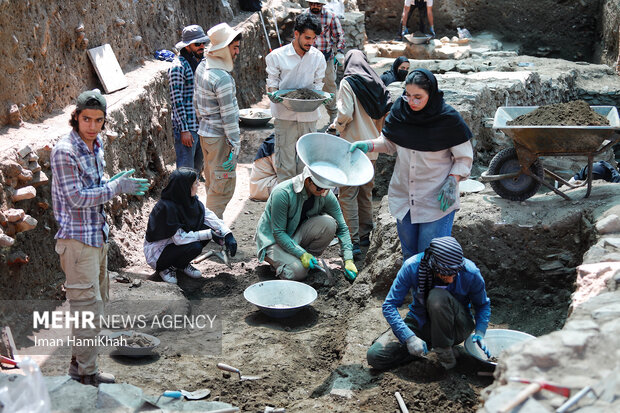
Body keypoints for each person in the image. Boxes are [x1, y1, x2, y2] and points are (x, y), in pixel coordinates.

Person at [51, 89, 151, 386]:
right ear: (75, 118)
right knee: (87, 310)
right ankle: (88, 375)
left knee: (95, 307)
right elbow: (76, 197)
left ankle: (77, 367)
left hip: (97, 235)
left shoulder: (95, 146)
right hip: (77, 241)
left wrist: (113, 181)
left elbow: (95, 184)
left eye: (98, 120)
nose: (92, 126)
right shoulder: (64, 151)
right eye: (86, 119)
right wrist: (117, 188)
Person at [350, 69, 473, 260]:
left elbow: (464, 158)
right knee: (410, 256)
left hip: (436, 200)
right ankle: (414, 290)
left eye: (418, 97)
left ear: (430, 94)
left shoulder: (448, 120)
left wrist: (452, 180)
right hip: (405, 197)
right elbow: (390, 143)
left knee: (432, 258)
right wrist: (368, 145)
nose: (412, 102)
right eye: (408, 95)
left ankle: (431, 291)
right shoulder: (401, 112)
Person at [367, 236, 491, 370]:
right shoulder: (412, 267)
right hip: (421, 322)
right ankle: (432, 351)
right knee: (375, 356)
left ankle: (445, 353)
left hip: (456, 326)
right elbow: (389, 305)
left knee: (437, 297)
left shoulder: (470, 272)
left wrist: (480, 332)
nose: (449, 280)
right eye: (444, 276)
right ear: (433, 267)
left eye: (453, 276)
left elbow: (482, 305)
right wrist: (409, 338)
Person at [330, 50, 392, 257]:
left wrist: (337, 127)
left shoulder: (348, 83)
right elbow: (386, 112)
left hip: (351, 148)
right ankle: (366, 236)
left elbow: (345, 113)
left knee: (347, 195)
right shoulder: (377, 83)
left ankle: (352, 242)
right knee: (366, 193)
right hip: (373, 148)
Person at [255, 166, 357, 282]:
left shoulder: (324, 194)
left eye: (326, 189)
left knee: (329, 224)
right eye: (320, 188)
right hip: (273, 241)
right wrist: (302, 253)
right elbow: (278, 233)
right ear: (308, 180)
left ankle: (304, 260)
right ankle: (286, 263)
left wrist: (348, 259)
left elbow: (342, 228)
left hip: (295, 236)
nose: (323, 191)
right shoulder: (282, 193)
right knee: (298, 272)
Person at [144, 168, 237, 284]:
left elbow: (208, 216)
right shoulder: (166, 208)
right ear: (185, 186)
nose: (198, 185)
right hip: (159, 252)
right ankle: (166, 268)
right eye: (195, 183)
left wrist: (227, 234)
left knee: (209, 228)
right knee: (196, 245)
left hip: (175, 244)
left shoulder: (190, 201)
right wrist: (209, 234)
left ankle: (182, 265)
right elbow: (179, 238)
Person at [266, 13, 327, 183]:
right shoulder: (276, 56)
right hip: (284, 116)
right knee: (285, 165)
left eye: (313, 39)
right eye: (307, 37)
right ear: (296, 34)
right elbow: (272, 82)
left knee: (306, 166)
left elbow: (317, 86)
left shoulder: (318, 58)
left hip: (308, 117)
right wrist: (273, 93)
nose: (310, 42)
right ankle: (286, 204)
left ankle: (303, 207)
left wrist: (321, 97)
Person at [194, 22, 242, 218]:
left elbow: (196, 102)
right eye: (235, 47)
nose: (237, 52)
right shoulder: (222, 78)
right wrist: (235, 143)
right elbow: (228, 117)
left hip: (205, 134)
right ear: (223, 48)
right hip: (220, 138)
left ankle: (213, 222)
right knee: (222, 185)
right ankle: (212, 228)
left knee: (213, 181)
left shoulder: (202, 67)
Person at [169, 25, 208, 170]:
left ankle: (192, 193)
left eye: (203, 43)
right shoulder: (178, 67)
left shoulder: (200, 63)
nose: (202, 46)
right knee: (186, 171)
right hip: (188, 128)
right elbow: (176, 100)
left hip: (201, 126)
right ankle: (183, 194)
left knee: (197, 169)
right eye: (197, 44)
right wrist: (184, 130)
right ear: (187, 46)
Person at [303, 0, 346, 127]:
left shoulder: (330, 16)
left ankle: (333, 113)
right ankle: (308, 117)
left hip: (326, 57)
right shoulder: (304, 17)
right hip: (308, 58)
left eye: (318, 4)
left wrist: (340, 51)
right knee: (307, 86)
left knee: (329, 85)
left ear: (322, 4)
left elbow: (339, 35)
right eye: (313, 4)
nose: (315, 6)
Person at [249, 133, 278, 201]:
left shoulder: (278, 139)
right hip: (262, 187)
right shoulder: (275, 144)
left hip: (267, 183)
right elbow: (283, 173)